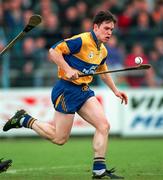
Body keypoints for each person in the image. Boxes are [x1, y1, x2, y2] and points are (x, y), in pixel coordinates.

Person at [3, 11, 128, 179]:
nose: (109, 33)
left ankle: (99, 169)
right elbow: (53, 51)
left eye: (111, 30)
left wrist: (115, 90)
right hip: (66, 90)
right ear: (95, 27)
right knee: (59, 138)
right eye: (106, 28)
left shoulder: (103, 51)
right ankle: (24, 119)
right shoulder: (81, 40)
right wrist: (68, 69)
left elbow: (103, 70)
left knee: (103, 125)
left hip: (83, 91)